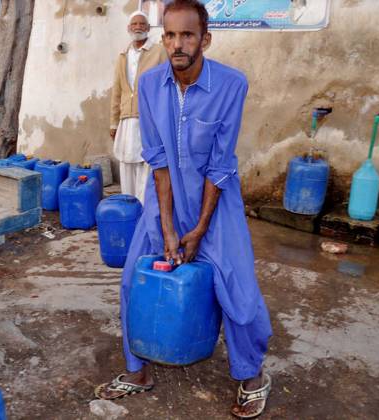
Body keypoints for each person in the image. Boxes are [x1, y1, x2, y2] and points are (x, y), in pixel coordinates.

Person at [96, 1, 273, 418]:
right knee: (132, 281)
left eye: (187, 35)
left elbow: (219, 163)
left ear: (204, 39)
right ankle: (139, 370)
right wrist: (169, 228)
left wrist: (199, 228)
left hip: (217, 198)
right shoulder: (150, 84)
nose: (178, 44)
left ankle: (252, 375)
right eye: (171, 35)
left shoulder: (232, 85)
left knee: (238, 293)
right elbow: (158, 162)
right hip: (164, 198)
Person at [110, 11, 167, 203]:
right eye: (134, 24)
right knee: (126, 162)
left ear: (149, 28)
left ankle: (146, 208)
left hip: (149, 118)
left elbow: (167, 86)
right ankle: (129, 204)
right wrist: (113, 123)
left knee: (146, 163)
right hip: (127, 119)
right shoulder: (122, 56)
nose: (138, 27)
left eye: (142, 24)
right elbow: (117, 92)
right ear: (128, 28)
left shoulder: (159, 52)